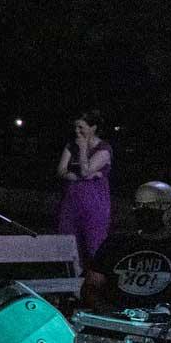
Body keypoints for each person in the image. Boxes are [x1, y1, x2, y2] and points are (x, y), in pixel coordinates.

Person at [82, 181, 171, 312]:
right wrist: (107, 312)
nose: (144, 211)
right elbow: (91, 286)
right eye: (138, 205)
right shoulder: (116, 243)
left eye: (153, 205)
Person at [54, 110, 113, 260]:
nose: (77, 131)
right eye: (75, 127)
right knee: (69, 241)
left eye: (81, 127)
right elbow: (61, 170)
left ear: (92, 128)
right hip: (71, 199)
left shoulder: (103, 148)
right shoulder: (70, 145)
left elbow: (85, 172)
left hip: (94, 201)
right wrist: (72, 176)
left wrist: (83, 149)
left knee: (93, 241)